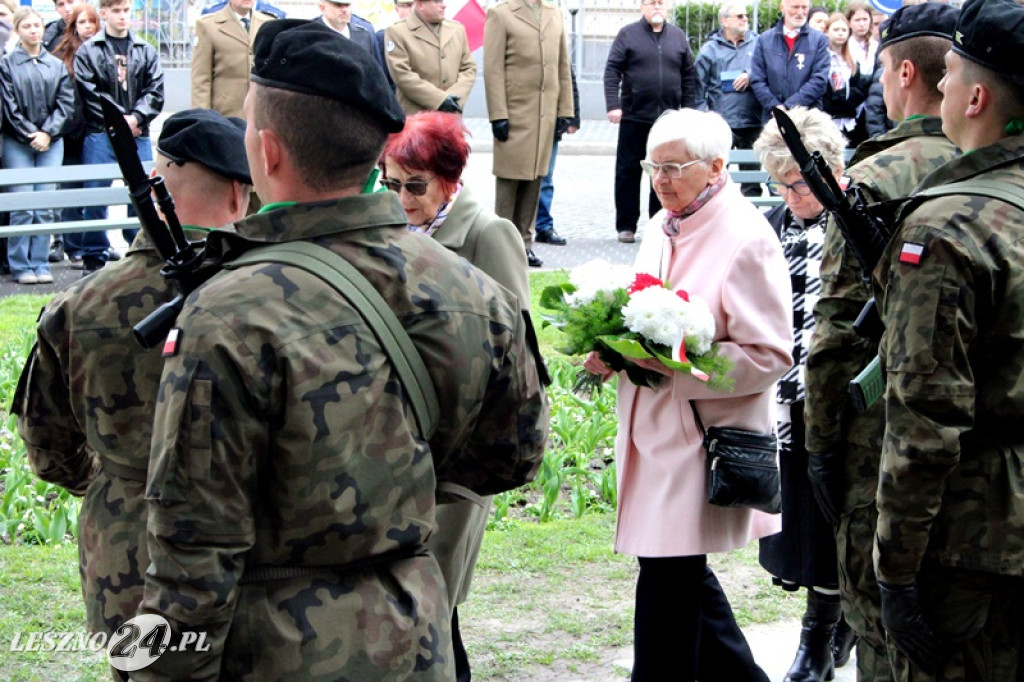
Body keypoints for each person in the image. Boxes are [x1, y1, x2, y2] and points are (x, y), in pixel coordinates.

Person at [133, 20, 548, 681]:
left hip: (276, 649)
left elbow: (192, 552)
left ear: (266, 151)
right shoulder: (472, 290)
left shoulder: (228, 313)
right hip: (416, 636)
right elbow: (512, 456)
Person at [13, 109, 252, 670]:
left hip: (126, 549)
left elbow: (46, 445)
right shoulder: (268, 294)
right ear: (240, 195)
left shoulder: (78, 305)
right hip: (246, 550)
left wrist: (116, 481)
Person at [583, 108, 792, 681]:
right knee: (678, 574)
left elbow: (769, 357)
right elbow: (637, 313)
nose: (661, 179)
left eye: (674, 167)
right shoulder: (660, 223)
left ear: (717, 167)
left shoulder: (748, 237)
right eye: (654, 166)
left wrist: (679, 365)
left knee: (667, 581)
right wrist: (610, 347)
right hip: (651, 432)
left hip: (699, 443)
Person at [868, 0, 1024, 678]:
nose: (941, 90)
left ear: (978, 96)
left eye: (951, 74)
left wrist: (895, 569)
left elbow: (924, 419)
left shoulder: (948, 227)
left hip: (973, 544)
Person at [804, 6, 958, 680]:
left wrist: (819, 444)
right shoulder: (993, 166)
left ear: (902, 72)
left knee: (885, 636)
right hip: (977, 452)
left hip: (885, 443)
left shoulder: (876, 175)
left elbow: (836, 334)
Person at [380, 109, 529, 682]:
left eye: (415, 185)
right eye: (390, 184)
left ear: (451, 177)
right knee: (414, 604)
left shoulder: (487, 233)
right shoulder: (389, 230)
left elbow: (515, 347)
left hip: (458, 447)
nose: (402, 198)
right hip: (397, 439)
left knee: (435, 598)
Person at [753, 106, 848, 682]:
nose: (788, 195)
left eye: (796, 183)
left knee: (837, 510)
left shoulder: (851, 221)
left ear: (828, 170)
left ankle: (825, 631)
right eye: (779, 184)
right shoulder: (774, 223)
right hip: (786, 396)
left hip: (839, 397)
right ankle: (823, 624)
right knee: (805, 515)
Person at [74, 0, 164, 273]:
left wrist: (136, 117)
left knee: (142, 193)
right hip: (102, 132)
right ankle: (93, 253)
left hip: (138, 132)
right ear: (104, 13)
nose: (122, 17)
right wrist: (118, 121)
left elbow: (155, 90)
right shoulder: (89, 51)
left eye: (126, 11)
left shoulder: (145, 50)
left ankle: (139, 248)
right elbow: (88, 93)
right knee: (96, 193)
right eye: (116, 11)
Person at [484, 0, 574, 267]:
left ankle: (524, 243)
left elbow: (562, 67)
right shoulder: (501, 14)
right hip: (515, 112)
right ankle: (501, 246)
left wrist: (565, 109)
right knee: (510, 182)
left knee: (536, 178)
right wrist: (498, 113)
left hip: (544, 114)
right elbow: (493, 69)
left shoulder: (554, 13)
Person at [604, 0, 696, 244]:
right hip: (634, 116)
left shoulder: (677, 37)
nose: (657, 7)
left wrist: (686, 111)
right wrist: (613, 105)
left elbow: (688, 76)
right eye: (651, 2)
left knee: (665, 172)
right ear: (642, 7)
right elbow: (612, 70)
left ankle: (660, 221)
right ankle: (626, 225)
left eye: (661, 3)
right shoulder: (628, 35)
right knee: (628, 172)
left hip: (667, 120)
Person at [0, 8, 75, 285]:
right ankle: (20, 265)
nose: (34, 30)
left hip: (51, 142)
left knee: (44, 204)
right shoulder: (7, 65)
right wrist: (31, 134)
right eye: (27, 26)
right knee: (22, 205)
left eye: (38, 25)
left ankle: (41, 263)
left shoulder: (55, 65)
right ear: (18, 30)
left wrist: (48, 133)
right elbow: (8, 106)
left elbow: (66, 104)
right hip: (18, 143)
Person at [48, 2, 101, 268]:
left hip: (97, 131)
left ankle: (93, 243)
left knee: (93, 190)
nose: (88, 27)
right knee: (70, 190)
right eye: (83, 22)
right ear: (74, 26)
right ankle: (73, 246)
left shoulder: (105, 50)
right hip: (70, 132)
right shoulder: (60, 54)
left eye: (92, 22)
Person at [694, 3, 762, 198]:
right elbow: (698, 88)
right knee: (714, 175)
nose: (745, 20)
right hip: (722, 124)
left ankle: (751, 219)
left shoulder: (758, 44)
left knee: (752, 180)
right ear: (724, 21)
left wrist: (751, 74)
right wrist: (704, 119)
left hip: (753, 122)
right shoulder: (710, 50)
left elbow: (770, 70)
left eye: (746, 16)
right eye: (739, 16)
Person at [384, 0, 476, 115]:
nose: (443, 5)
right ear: (420, 4)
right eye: (437, 1)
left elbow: (468, 68)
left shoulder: (457, 30)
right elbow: (401, 74)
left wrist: (455, 97)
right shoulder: (398, 32)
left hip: (451, 118)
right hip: (416, 119)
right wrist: (440, 100)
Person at [749, 0, 830, 124]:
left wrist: (788, 106)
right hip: (773, 119)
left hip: (808, 119)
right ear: (783, 7)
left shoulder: (820, 40)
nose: (800, 12)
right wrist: (774, 106)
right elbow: (757, 79)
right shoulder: (764, 40)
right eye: (795, 7)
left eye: (804, 7)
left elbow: (819, 80)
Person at [191, 0, 273, 118]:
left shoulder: (268, 23)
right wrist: (202, 119)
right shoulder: (208, 25)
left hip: (260, 115)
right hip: (226, 116)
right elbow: (201, 79)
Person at [534, 66, 579, 240]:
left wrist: (573, 117)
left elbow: (567, 78)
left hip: (551, 121)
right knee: (520, 178)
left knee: (545, 178)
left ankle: (543, 226)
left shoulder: (556, 38)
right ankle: (519, 228)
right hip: (523, 119)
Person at [822, 12, 870, 145]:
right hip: (827, 121)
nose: (840, 33)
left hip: (851, 122)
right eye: (836, 29)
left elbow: (861, 87)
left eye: (844, 30)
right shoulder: (821, 58)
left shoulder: (854, 59)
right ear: (826, 32)